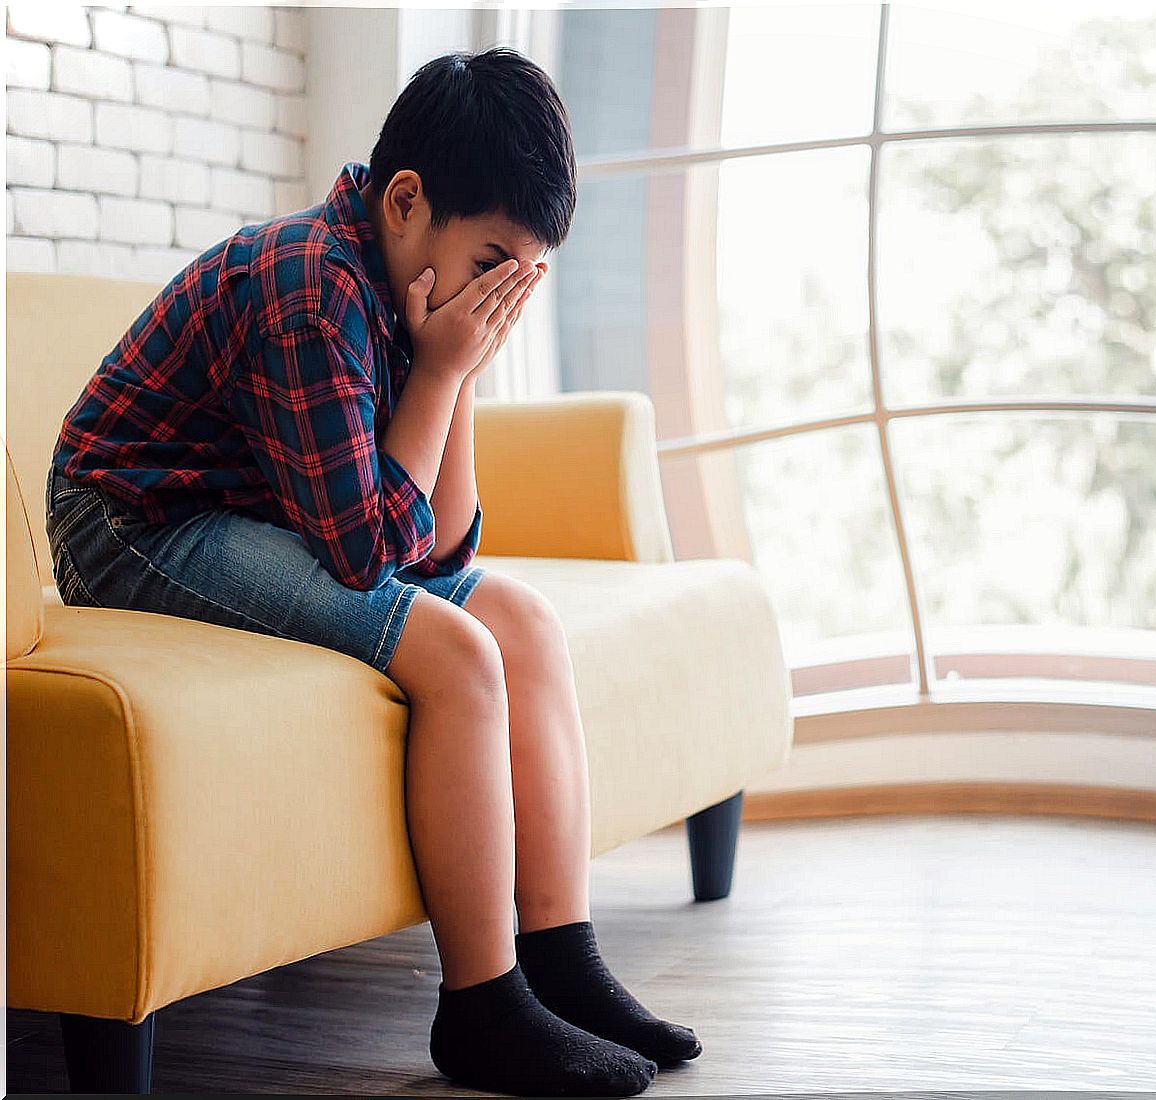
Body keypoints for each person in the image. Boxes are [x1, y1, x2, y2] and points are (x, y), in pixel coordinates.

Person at [43, 46, 697, 1098]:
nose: (496, 295)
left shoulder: (404, 281)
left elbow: (443, 544)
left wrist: (460, 364)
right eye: (493, 262)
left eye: (519, 278)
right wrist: (441, 366)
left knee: (518, 617)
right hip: (130, 521)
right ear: (406, 203)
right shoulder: (313, 290)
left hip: (256, 509)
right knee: (454, 647)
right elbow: (365, 554)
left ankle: (560, 961)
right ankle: (481, 1003)